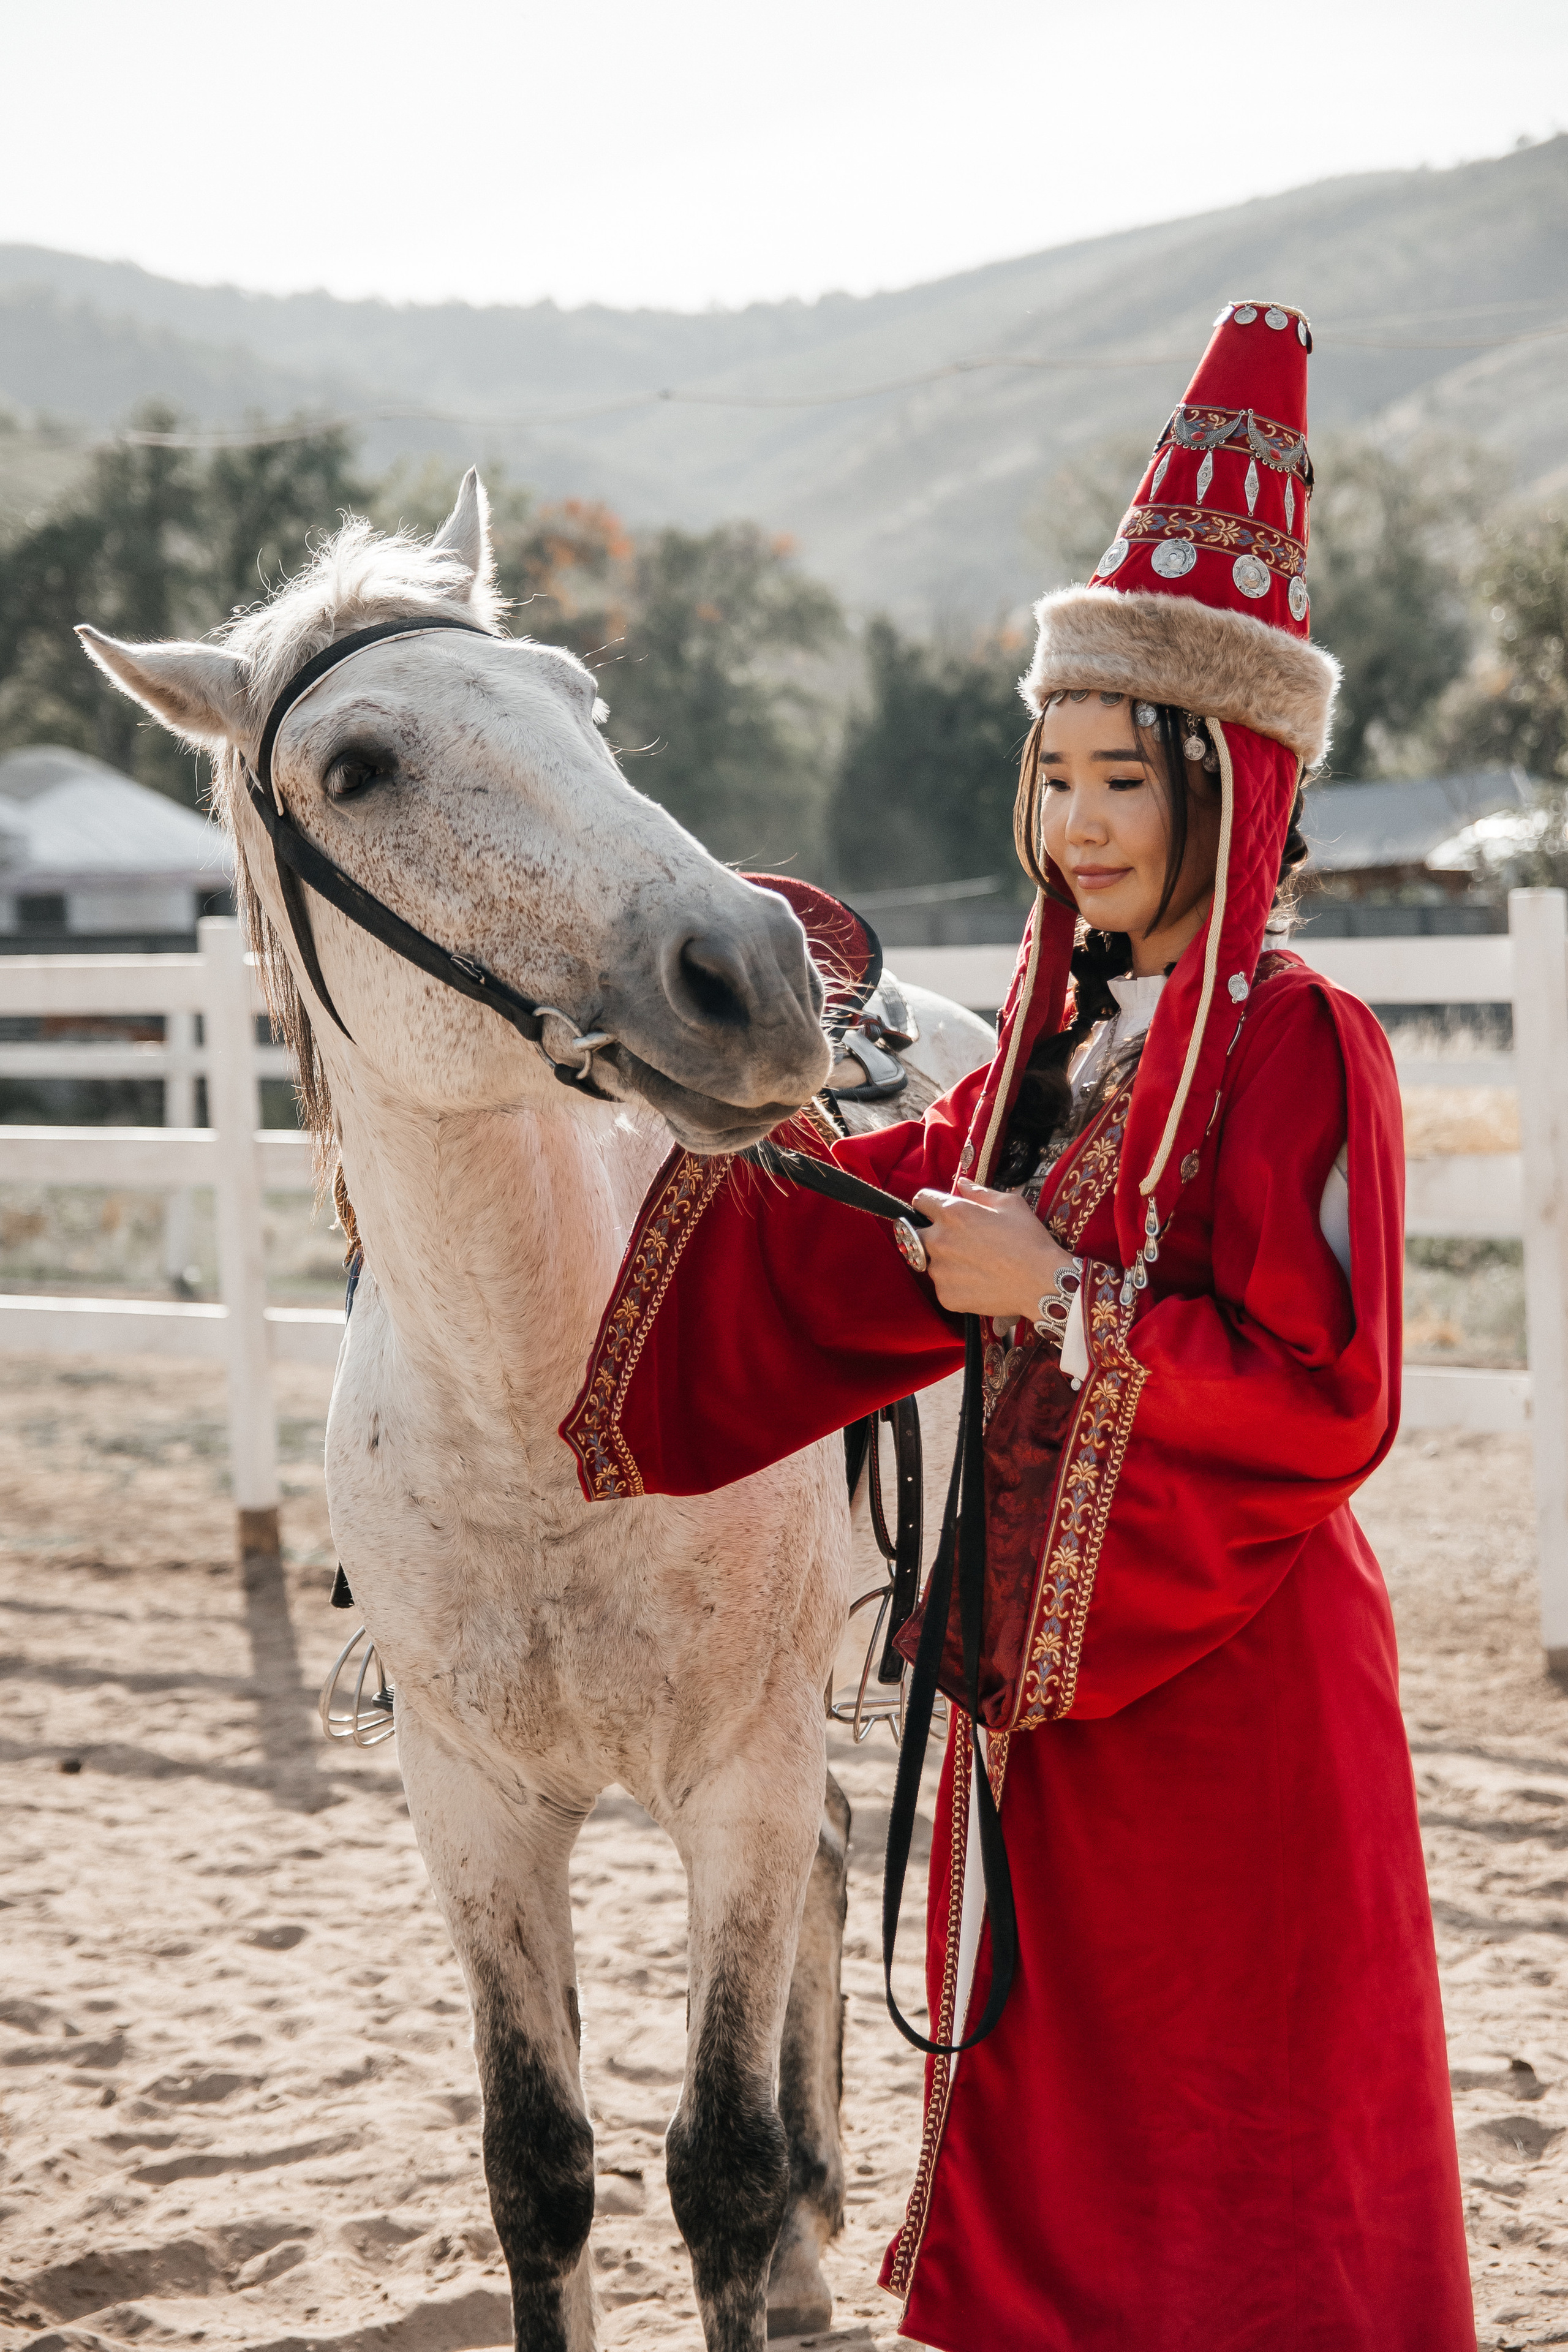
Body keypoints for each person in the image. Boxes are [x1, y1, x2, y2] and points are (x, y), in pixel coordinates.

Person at [560, 301, 1475, 2348]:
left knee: (1243, 2106)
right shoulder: (1070, 1053)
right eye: (1050, 773)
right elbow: (891, 1217)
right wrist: (683, 1129)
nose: (1073, 823)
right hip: (1065, 1693)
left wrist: (1051, 1299)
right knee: (1074, 2103)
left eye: (1117, 782)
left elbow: (1328, 1394)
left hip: (1234, 1673)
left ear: (1224, 786)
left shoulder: (1308, 1047)